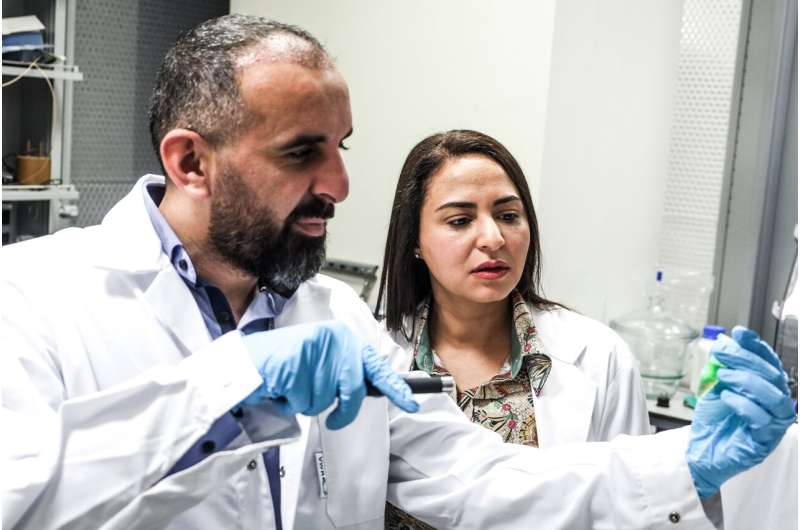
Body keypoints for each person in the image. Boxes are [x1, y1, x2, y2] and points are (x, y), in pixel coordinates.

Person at [2, 14, 794, 530]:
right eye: (301, 152)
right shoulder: (33, 298)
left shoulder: (334, 319)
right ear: (190, 162)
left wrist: (683, 460)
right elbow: (21, 500)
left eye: (340, 147)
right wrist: (225, 384)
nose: (340, 185)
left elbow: (480, 480)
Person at [376, 130, 650, 529]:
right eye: (460, 220)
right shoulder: (377, 354)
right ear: (414, 240)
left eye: (508, 216)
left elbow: (633, 504)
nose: (493, 238)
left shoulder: (598, 356)